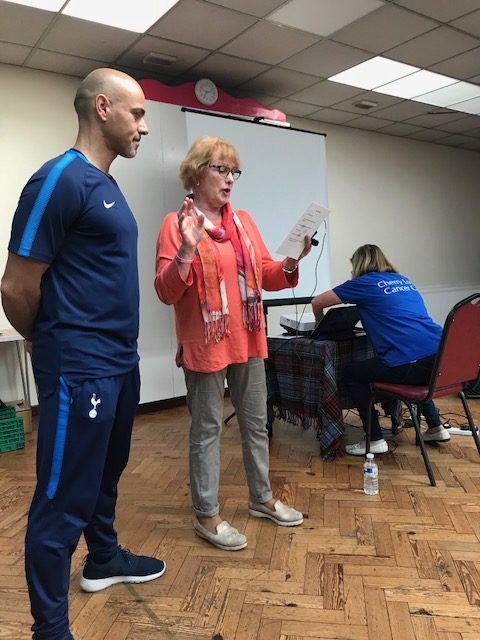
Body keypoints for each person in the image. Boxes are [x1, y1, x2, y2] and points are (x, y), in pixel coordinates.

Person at [1, 68, 165, 640]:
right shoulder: (60, 179)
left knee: (104, 476)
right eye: (137, 113)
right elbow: (16, 287)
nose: (144, 125)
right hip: (81, 369)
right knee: (61, 500)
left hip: (120, 364)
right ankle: (50, 631)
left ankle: (104, 557)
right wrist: (51, 342)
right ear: (102, 108)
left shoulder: (105, 184)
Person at [155, 136, 310, 551]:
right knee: (207, 430)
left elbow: (267, 274)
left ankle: (262, 499)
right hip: (204, 344)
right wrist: (187, 248)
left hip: (248, 338)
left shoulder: (243, 222)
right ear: (196, 173)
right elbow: (166, 291)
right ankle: (207, 515)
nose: (229, 179)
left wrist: (291, 261)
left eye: (234, 172)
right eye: (221, 169)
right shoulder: (175, 224)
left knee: (255, 423)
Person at [311, 244, 449, 456]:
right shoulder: (403, 280)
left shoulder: (363, 282)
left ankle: (374, 438)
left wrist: (319, 325)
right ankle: (435, 426)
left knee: (352, 373)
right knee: (413, 356)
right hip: (441, 357)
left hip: (412, 363)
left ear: (359, 264)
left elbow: (317, 302)